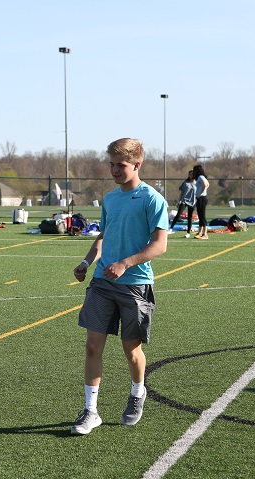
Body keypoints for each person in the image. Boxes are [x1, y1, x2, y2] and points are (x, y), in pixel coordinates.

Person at [70, 138, 168, 435]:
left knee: (131, 350)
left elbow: (160, 245)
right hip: (102, 282)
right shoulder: (110, 199)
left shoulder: (152, 199)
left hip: (135, 284)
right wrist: (87, 263)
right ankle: (90, 411)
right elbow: (103, 236)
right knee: (92, 346)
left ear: (137, 165)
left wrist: (126, 263)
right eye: (111, 164)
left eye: (121, 165)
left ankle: (138, 393)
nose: (114, 169)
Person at [169, 169, 196, 238]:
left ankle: (188, 233)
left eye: (192, 174)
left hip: (192, 202)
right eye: (190, 174)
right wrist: (179, 201)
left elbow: (198, 194)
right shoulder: (185, 182)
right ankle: (170, 228)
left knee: (190, 217)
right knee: (178, 214)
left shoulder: (197, 183)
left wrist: (196, 203)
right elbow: (182, 192)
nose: (191, 175)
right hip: (184, 201)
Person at [193, 164, 210, 239]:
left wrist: (200, 193)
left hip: (202, 198)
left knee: (202, 216)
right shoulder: (202, 177)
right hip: (201, 198)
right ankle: (200, 232)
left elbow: (205, 184)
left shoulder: (200, 177)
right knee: (200, 216)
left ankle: (205, 234)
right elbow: (208, 184)